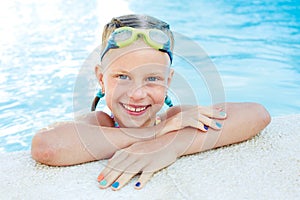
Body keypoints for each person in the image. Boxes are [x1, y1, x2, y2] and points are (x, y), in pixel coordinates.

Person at [31, 14, 271, 191]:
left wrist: (170, 146)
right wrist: (157, 133)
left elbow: (257, 114)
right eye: (122, 77)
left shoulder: (173, 117)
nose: (137, 94)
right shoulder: (101, 122)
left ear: (168, 81)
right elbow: (47, 146)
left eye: (152, 78)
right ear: (101, 79)